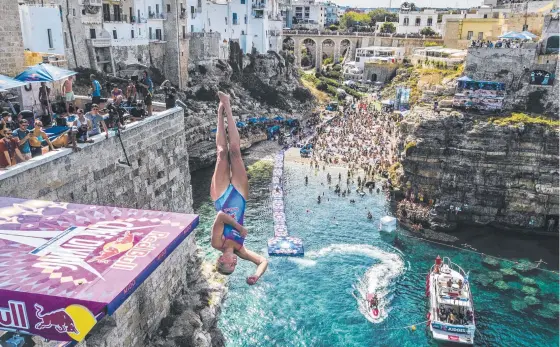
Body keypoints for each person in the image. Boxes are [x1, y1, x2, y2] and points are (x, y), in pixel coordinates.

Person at [210, 92, 268, 285]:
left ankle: (220, 113)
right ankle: (228, 107)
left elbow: (220, 217)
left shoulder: (217, 243)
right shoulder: (241, 251)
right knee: (235, 153)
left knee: (221, 154)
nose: (235, 262)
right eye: (235, 266)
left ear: (220, 260)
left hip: (221, 199)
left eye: (230, 265)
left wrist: (239, 227)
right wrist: (256, 275)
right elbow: (262, 261)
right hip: (240, 198)